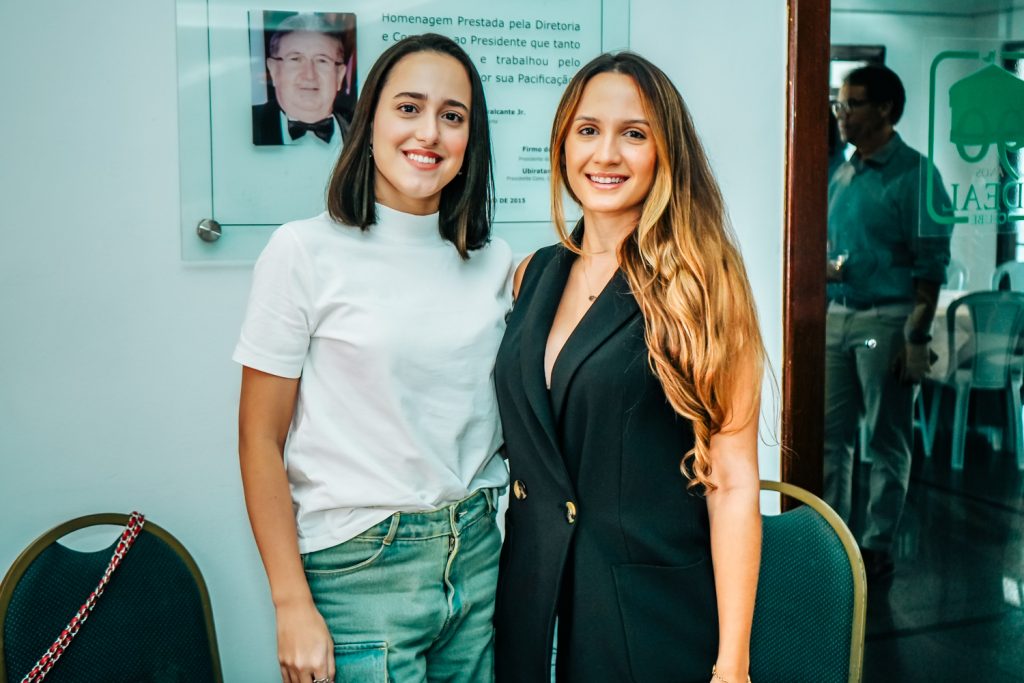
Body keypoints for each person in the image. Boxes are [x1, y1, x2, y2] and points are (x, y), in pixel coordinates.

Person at [235, 33, 511, 683]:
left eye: (453, 115)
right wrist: (290, 600)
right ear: (370, 120)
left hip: (477, 554)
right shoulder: (302, 251)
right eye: (409, 107)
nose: (430, 132)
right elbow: (258, 439)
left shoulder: (496, 262)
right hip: (360, 566)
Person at [493, 52, 764, 683]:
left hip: (648, 616)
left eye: (633, 134)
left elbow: (733, 482)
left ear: (666, 152)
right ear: (563, 143)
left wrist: (733, 665)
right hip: (532, 606)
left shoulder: (703, 281)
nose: (606, 154)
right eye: (588, 130)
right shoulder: (532, 275)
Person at [824, 65, 951, 581]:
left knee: (885, 438)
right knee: (831, 439)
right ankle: (831, 539)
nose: (842, 114)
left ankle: (876, 544)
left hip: (886, 321)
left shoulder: (917, 176)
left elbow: (931, 267)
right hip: (837, 314)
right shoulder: (844, 170)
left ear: (884, 110)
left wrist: (915, 337)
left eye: (851, 104)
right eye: (840, 103)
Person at [252, 13, 352, 146]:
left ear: (340, 75)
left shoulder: (363, 128)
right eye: (295, 59)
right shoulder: (246, 124)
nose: (309, 75)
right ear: (274, 70)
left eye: (322, 61)